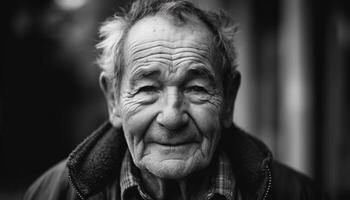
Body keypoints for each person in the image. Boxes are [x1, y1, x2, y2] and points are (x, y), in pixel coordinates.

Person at [24, 0, 321, 199]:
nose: (171, 117)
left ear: (228, 99)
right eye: (147, 90)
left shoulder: (295, 194)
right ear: (114, 99)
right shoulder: (54, 193)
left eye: (196, 88)